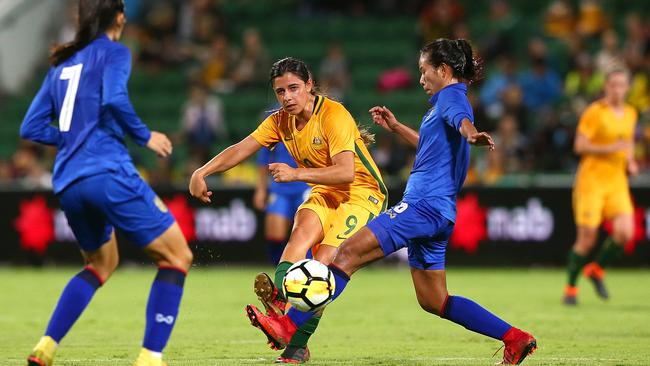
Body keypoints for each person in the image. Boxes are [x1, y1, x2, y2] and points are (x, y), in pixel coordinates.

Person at [245, 39, 537, 365]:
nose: (421, 78)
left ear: (443, 70)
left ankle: (288, 327)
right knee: (434, 300)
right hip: (440, 212)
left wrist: (471, 132)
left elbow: (460, 120)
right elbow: (432, 143)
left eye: (424, 71)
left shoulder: (451, 98)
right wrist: (398, 128)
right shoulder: (443, 103)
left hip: (422, 207)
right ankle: (514, 338)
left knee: (345, 254)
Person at [20, 1, 193, 365]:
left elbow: (30, 128)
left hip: (67, 182)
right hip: (106, 172)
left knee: (100, 264)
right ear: (119, 18)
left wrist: (72, 137)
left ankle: (46, 346)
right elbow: (114, 98)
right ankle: (149, 357)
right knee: (178, 256)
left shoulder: (61, 64)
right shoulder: (115, 53)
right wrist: (145, 136)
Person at [189, 57, 386, 363]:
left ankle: (295, 342)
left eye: (294, 88)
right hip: (325, 189)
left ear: (310, 85)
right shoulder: (280, 120)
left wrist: (295, 174)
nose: (287, 97)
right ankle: (282, 302)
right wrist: (201, 172)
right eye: (280, 92)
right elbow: (242, 148)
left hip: (362, 194)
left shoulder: (334, 115)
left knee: (321, 270)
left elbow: (346, 173)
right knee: (298, 237)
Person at [563, 68, 638, 306]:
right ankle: (571, 288)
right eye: (613, 85)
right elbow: (580, 145)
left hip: (617, 182)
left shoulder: (630, 113)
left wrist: (631, 162)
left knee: (625, 233)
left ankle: (596, 270)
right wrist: (611, 149)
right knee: (587, 240)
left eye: (621, 85)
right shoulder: (595, 112)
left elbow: (628, 144)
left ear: (627, 88)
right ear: (606, 87)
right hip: (591, 182)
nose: (617, 89)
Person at [254, 142, 311, 265]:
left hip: (306, 186)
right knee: (275, 233)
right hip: (280, 187)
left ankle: (309, 269)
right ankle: (281, 272)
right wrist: (261, 189)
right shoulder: (276, 125)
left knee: (308, 232)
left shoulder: (314, 125)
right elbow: (264, 159)